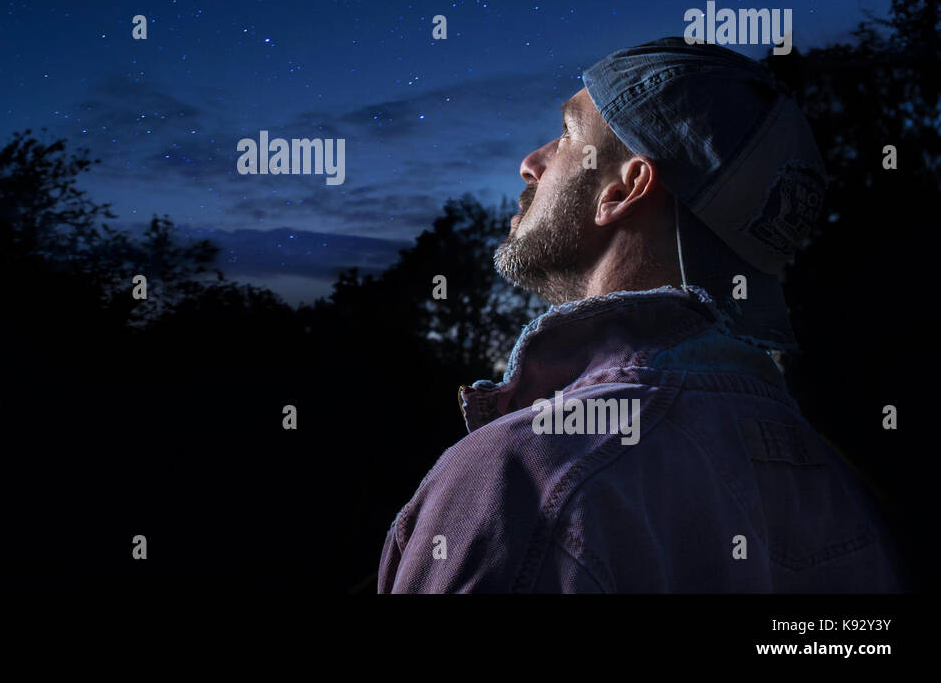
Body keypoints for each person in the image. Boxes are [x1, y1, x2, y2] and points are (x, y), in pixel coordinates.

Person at [377, 37, 901, 593]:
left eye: (568, 134)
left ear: (624, 189)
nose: (531, 163)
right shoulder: (852, 491)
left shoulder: (522, 480)